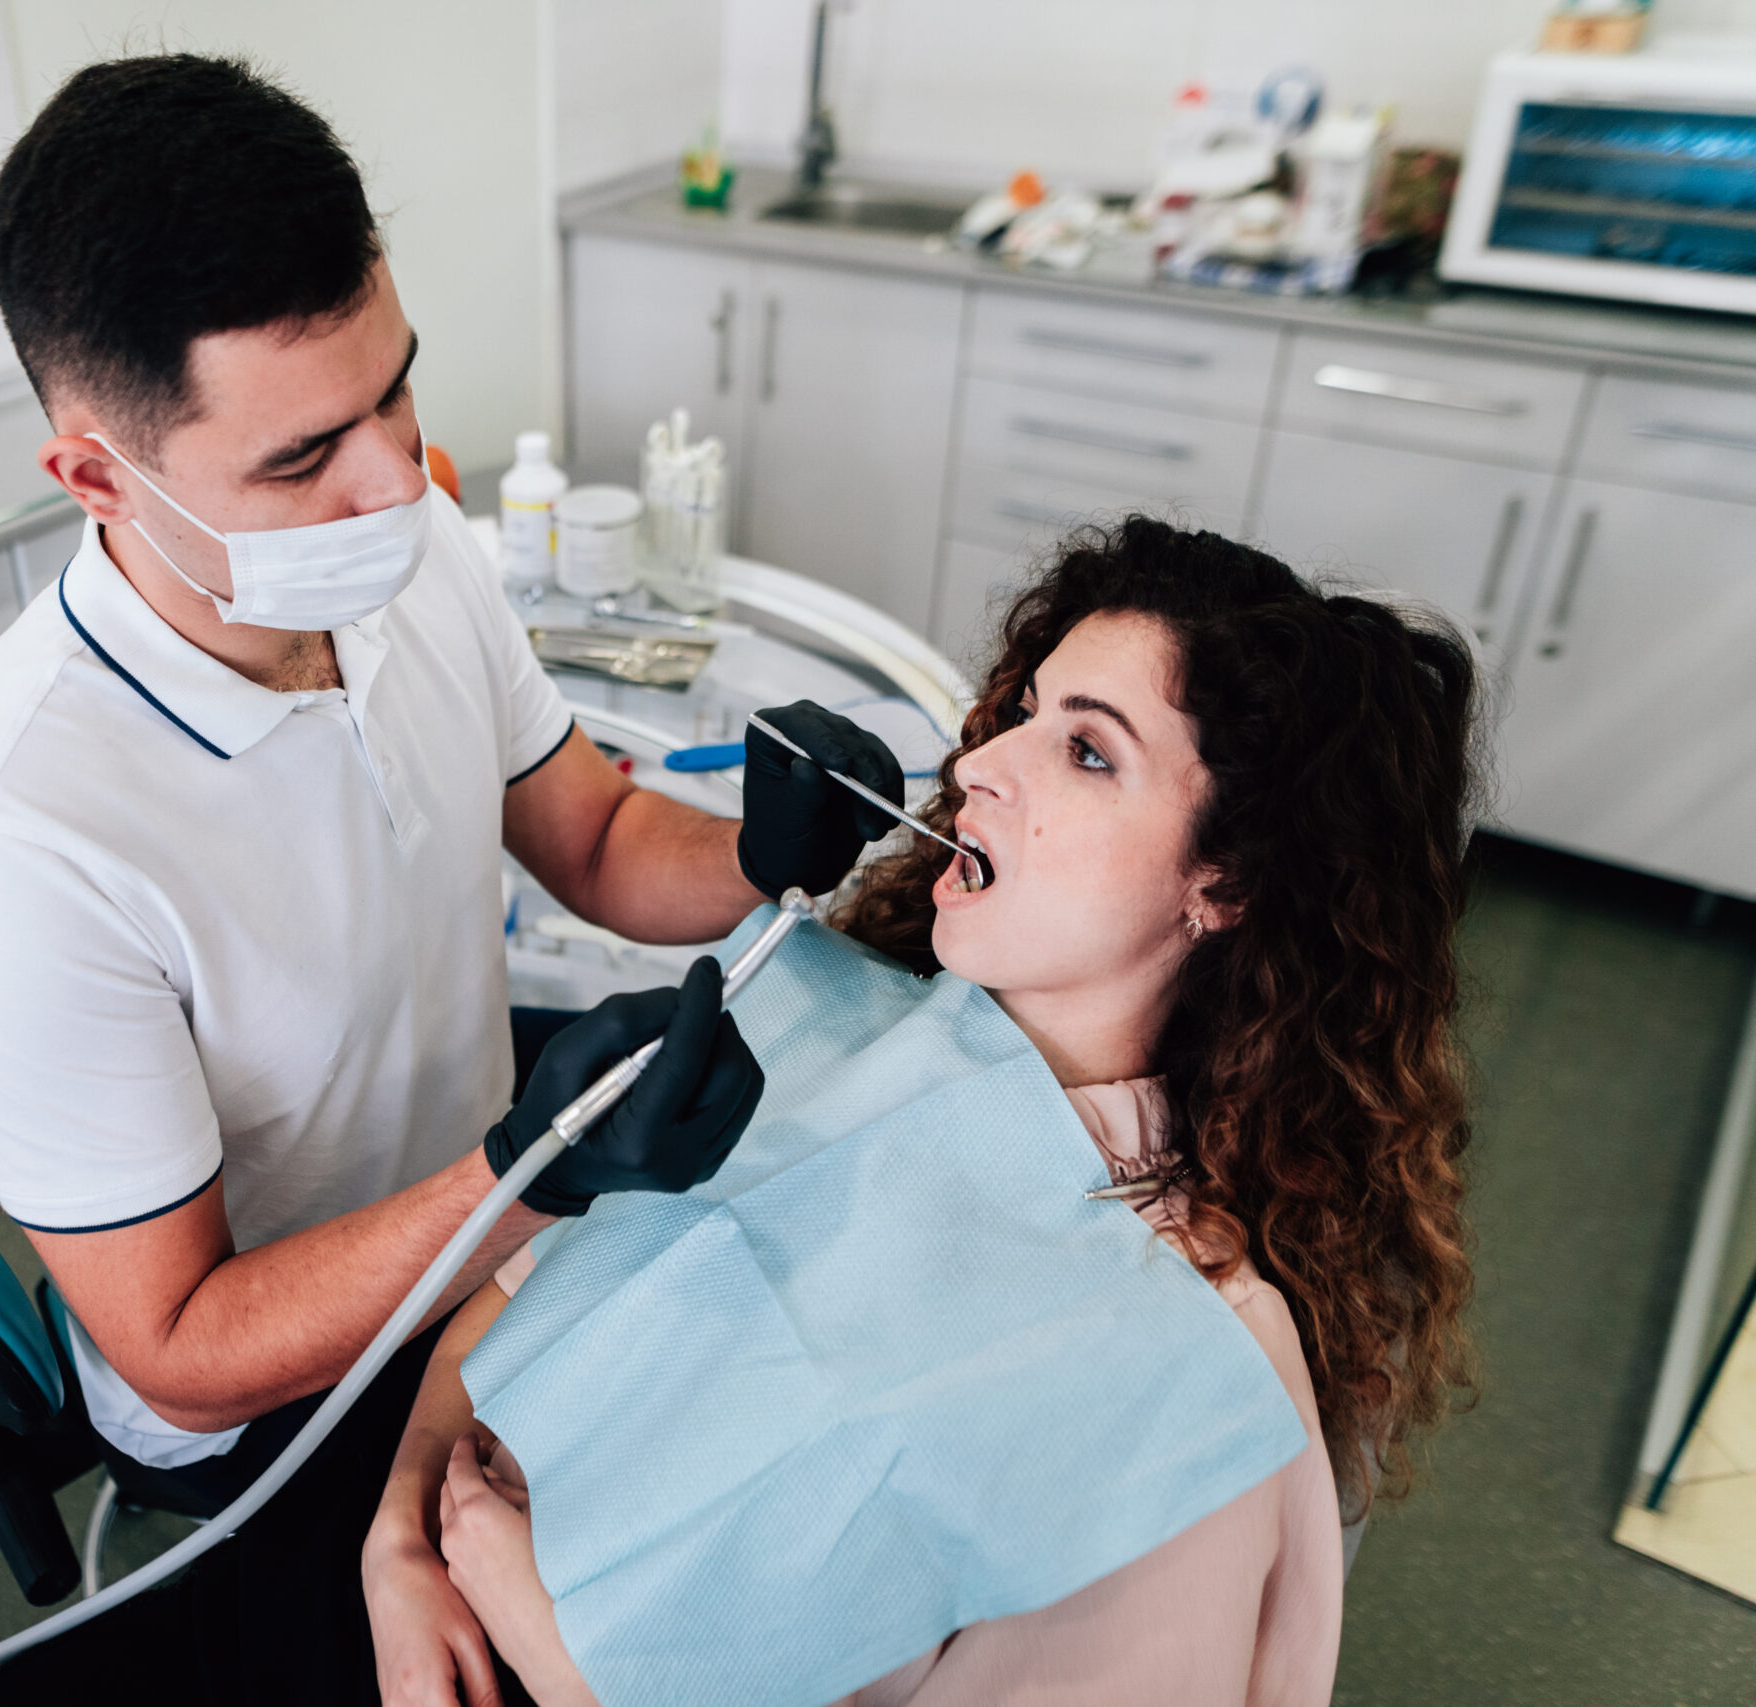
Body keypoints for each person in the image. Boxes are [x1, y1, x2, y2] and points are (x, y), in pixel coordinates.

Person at [0, 54, 911, 1700]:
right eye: (302, 460)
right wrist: (527, 1165)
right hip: (284, 1401)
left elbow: (583, 835)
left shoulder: (413, 563)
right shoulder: (14, 848)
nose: (393, 482)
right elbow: (182, 1349)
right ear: (93, 476)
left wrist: (758, 853)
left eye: (398, 392)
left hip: (494, 1252)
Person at [365, 518, 1481, 1707]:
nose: (980, 765)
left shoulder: (1182, 1386)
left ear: (1225, 885)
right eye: (1025, 714)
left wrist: (553, 1646)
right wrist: (396, 1544)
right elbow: (514, 1297)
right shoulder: (820, 1031)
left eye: (1089, 753)